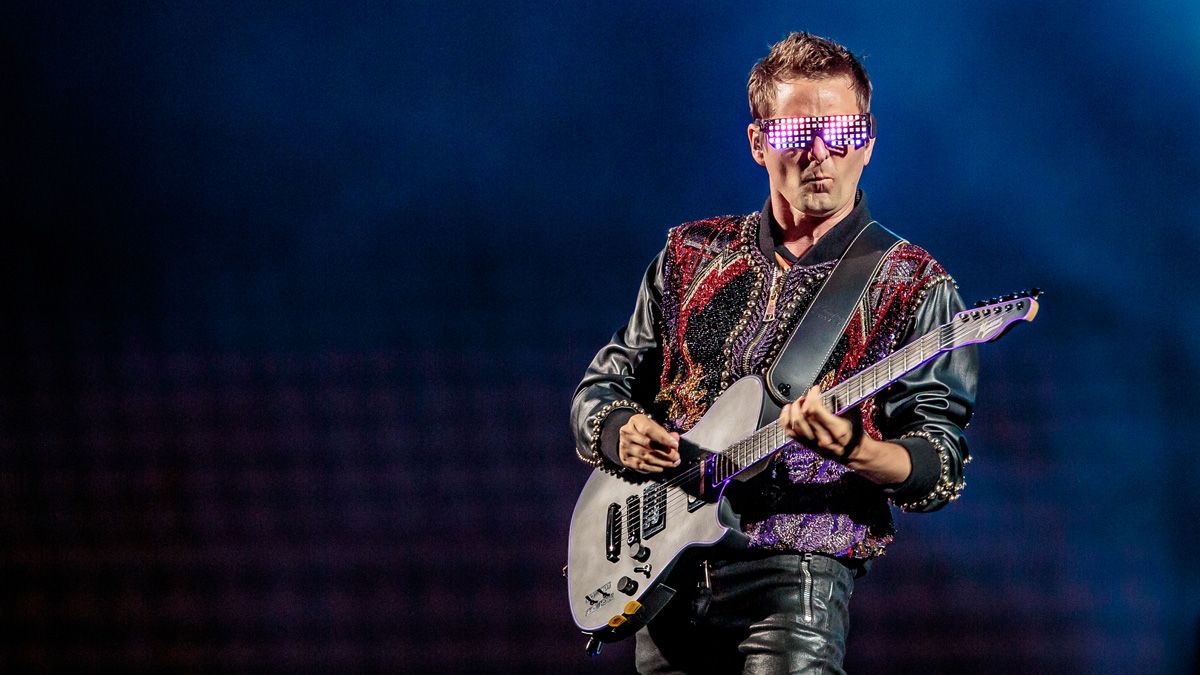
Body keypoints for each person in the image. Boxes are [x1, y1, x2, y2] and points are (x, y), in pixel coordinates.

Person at [570, 32, 978, 673]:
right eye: (797, 133)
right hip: (666, 573)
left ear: (867, 142)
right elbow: (602, 388)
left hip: (796, 582)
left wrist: (856, 450)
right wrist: (620, 430)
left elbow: (940, 467)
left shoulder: (914, 284)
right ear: (759, 143)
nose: (821, 153)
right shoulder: (689, 255)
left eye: (841, 130)